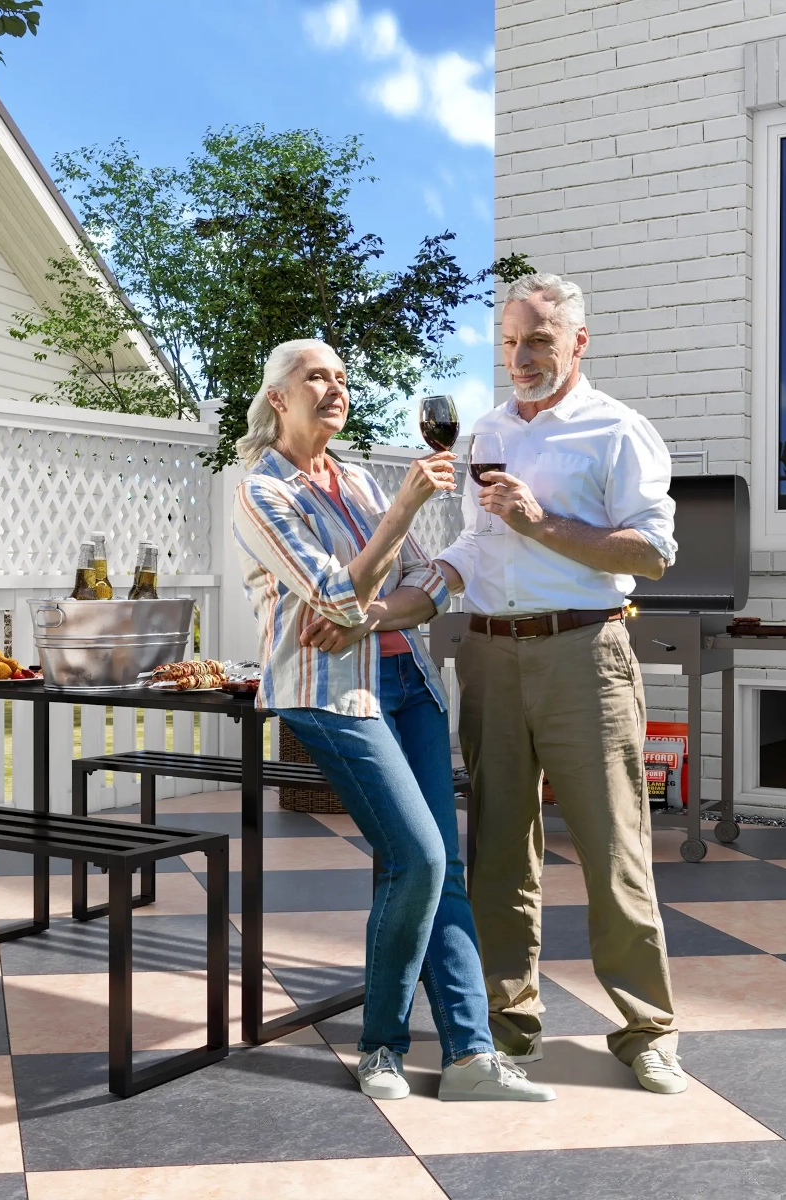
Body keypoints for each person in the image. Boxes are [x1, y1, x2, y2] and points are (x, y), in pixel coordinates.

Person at [231, 337, 555, 1104]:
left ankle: (470, 1057)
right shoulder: (263, 492)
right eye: (318, 377)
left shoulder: (354, 480)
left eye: (343, 377)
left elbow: (423, 585)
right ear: (279, 396)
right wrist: (404, 510)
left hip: (408, 678)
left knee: (439, 870)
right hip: (330, 692)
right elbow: (332, 597)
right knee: (419, 857)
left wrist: (368, 609)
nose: (336, 387)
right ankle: (380, 1047)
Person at [436, 273, 686, 1095]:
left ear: (579, 342)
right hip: (488, 653)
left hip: (585, 653)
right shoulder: (487, 430)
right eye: (509, 340)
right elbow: (477, 547)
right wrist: (424, 578)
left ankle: (647, 1030)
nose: (520, 356)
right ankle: (508, 1022)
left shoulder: (619, 430)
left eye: (539, 338)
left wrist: (539, 523)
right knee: (498, 846)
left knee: (615, 849)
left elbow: (651, 554)